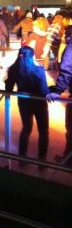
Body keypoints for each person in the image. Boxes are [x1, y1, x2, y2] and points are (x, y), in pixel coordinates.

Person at [5, 46, 50, 167]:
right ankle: (41, 161)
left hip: (23, 102)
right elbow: (43, 91)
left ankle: (22, 159)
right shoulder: (38, 70)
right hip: (39, 104)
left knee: (26, 129)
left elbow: (8, 88)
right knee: (43, 131)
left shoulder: (14, 69)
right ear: (32, 56)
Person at [47, 25, 72, 165]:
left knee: (71, 128)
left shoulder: (71, 47)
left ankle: (68, 159)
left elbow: (67, 69)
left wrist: (57, 91)